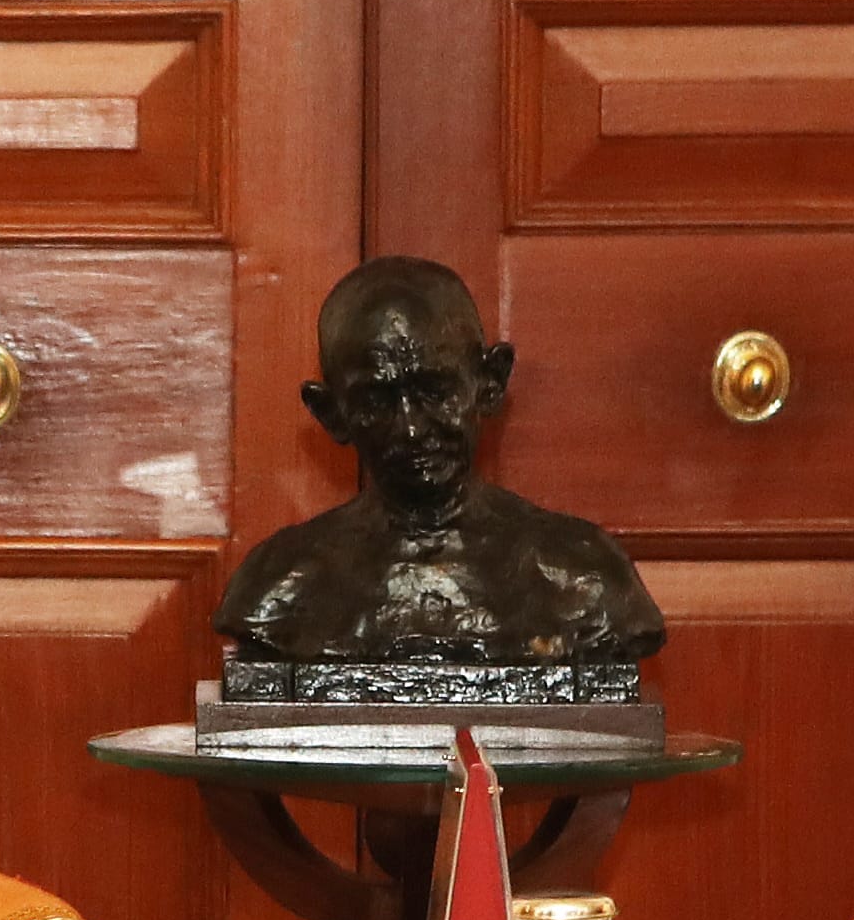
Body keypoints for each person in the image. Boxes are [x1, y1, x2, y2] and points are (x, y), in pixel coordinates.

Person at [215, 256, 663, 694]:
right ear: (331, 414)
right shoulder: (279, 590)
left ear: (489, 382)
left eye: (435, 391)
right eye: (376, 401)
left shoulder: (584, 580)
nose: (411, 429)